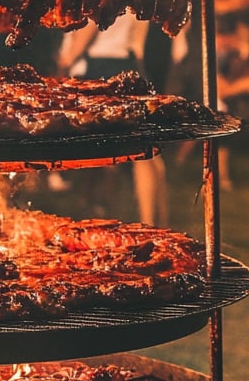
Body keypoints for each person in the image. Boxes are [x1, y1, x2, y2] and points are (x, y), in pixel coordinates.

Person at [58, 12, 168, 226]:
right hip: (131, 62)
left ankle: (148, 222)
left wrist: (67, 59)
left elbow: (88, 30)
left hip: (105, 65)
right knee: (149, 150)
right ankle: (158, 222)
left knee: (137, 151)